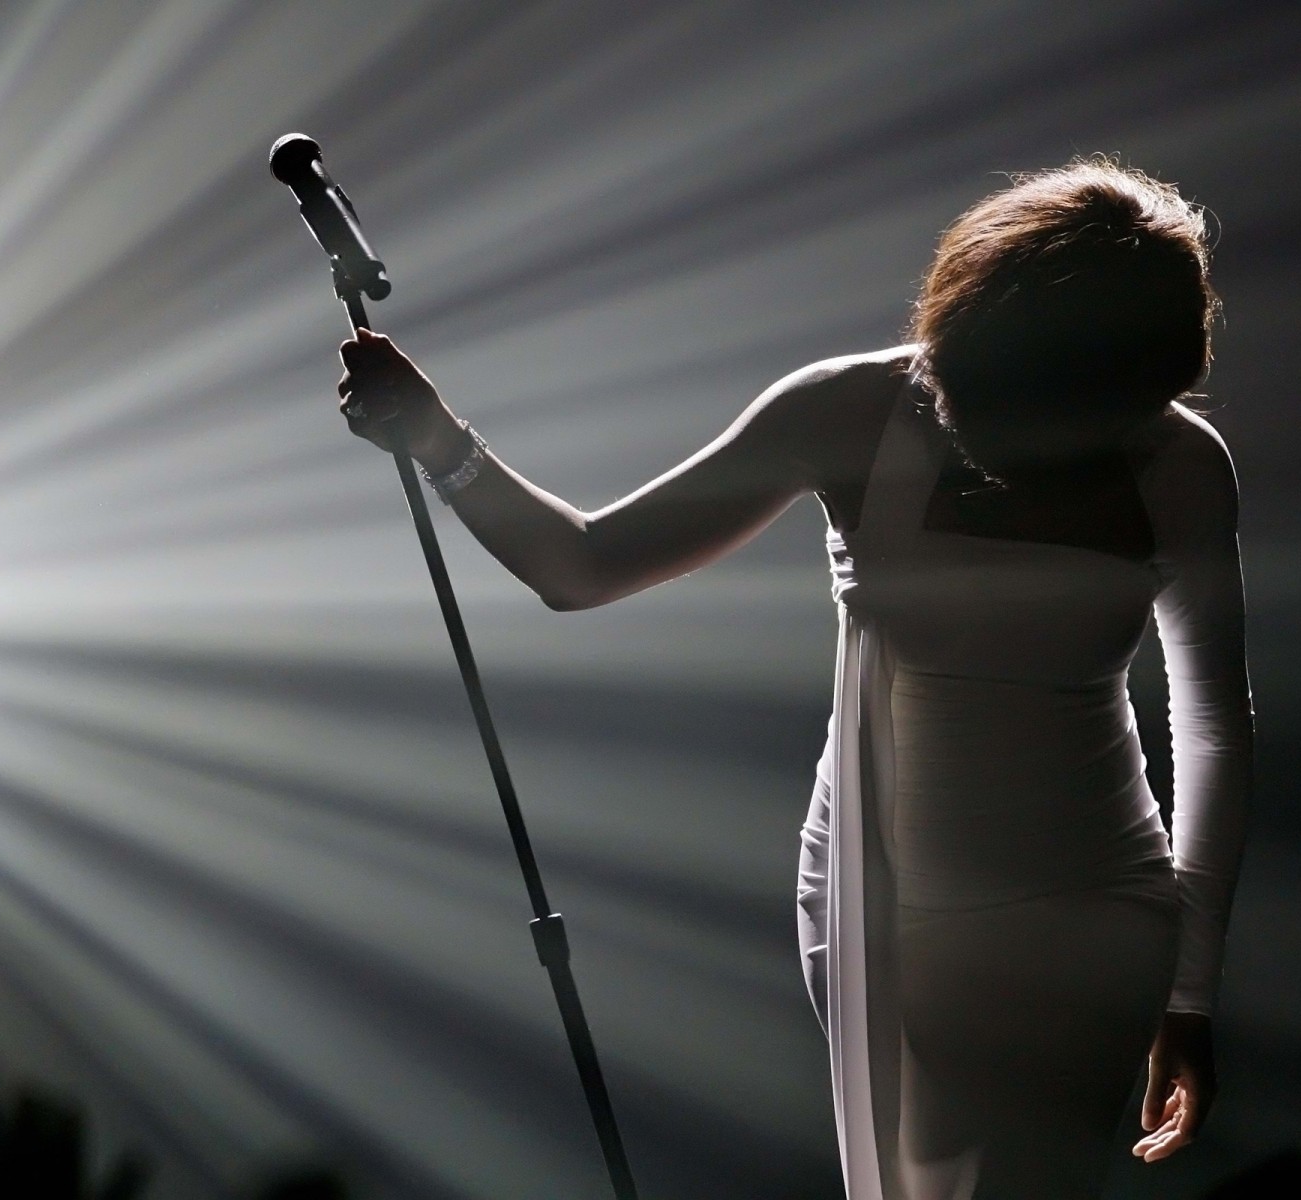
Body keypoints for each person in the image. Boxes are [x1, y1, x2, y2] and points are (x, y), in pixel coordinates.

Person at [334, 157, 1253, 1200]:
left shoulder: (1179, 462)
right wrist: (439, 442)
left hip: (1092, 914)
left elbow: (1216, 724)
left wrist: (1190, 994)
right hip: (881, 904)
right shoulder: (847, 410)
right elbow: (582, 566)